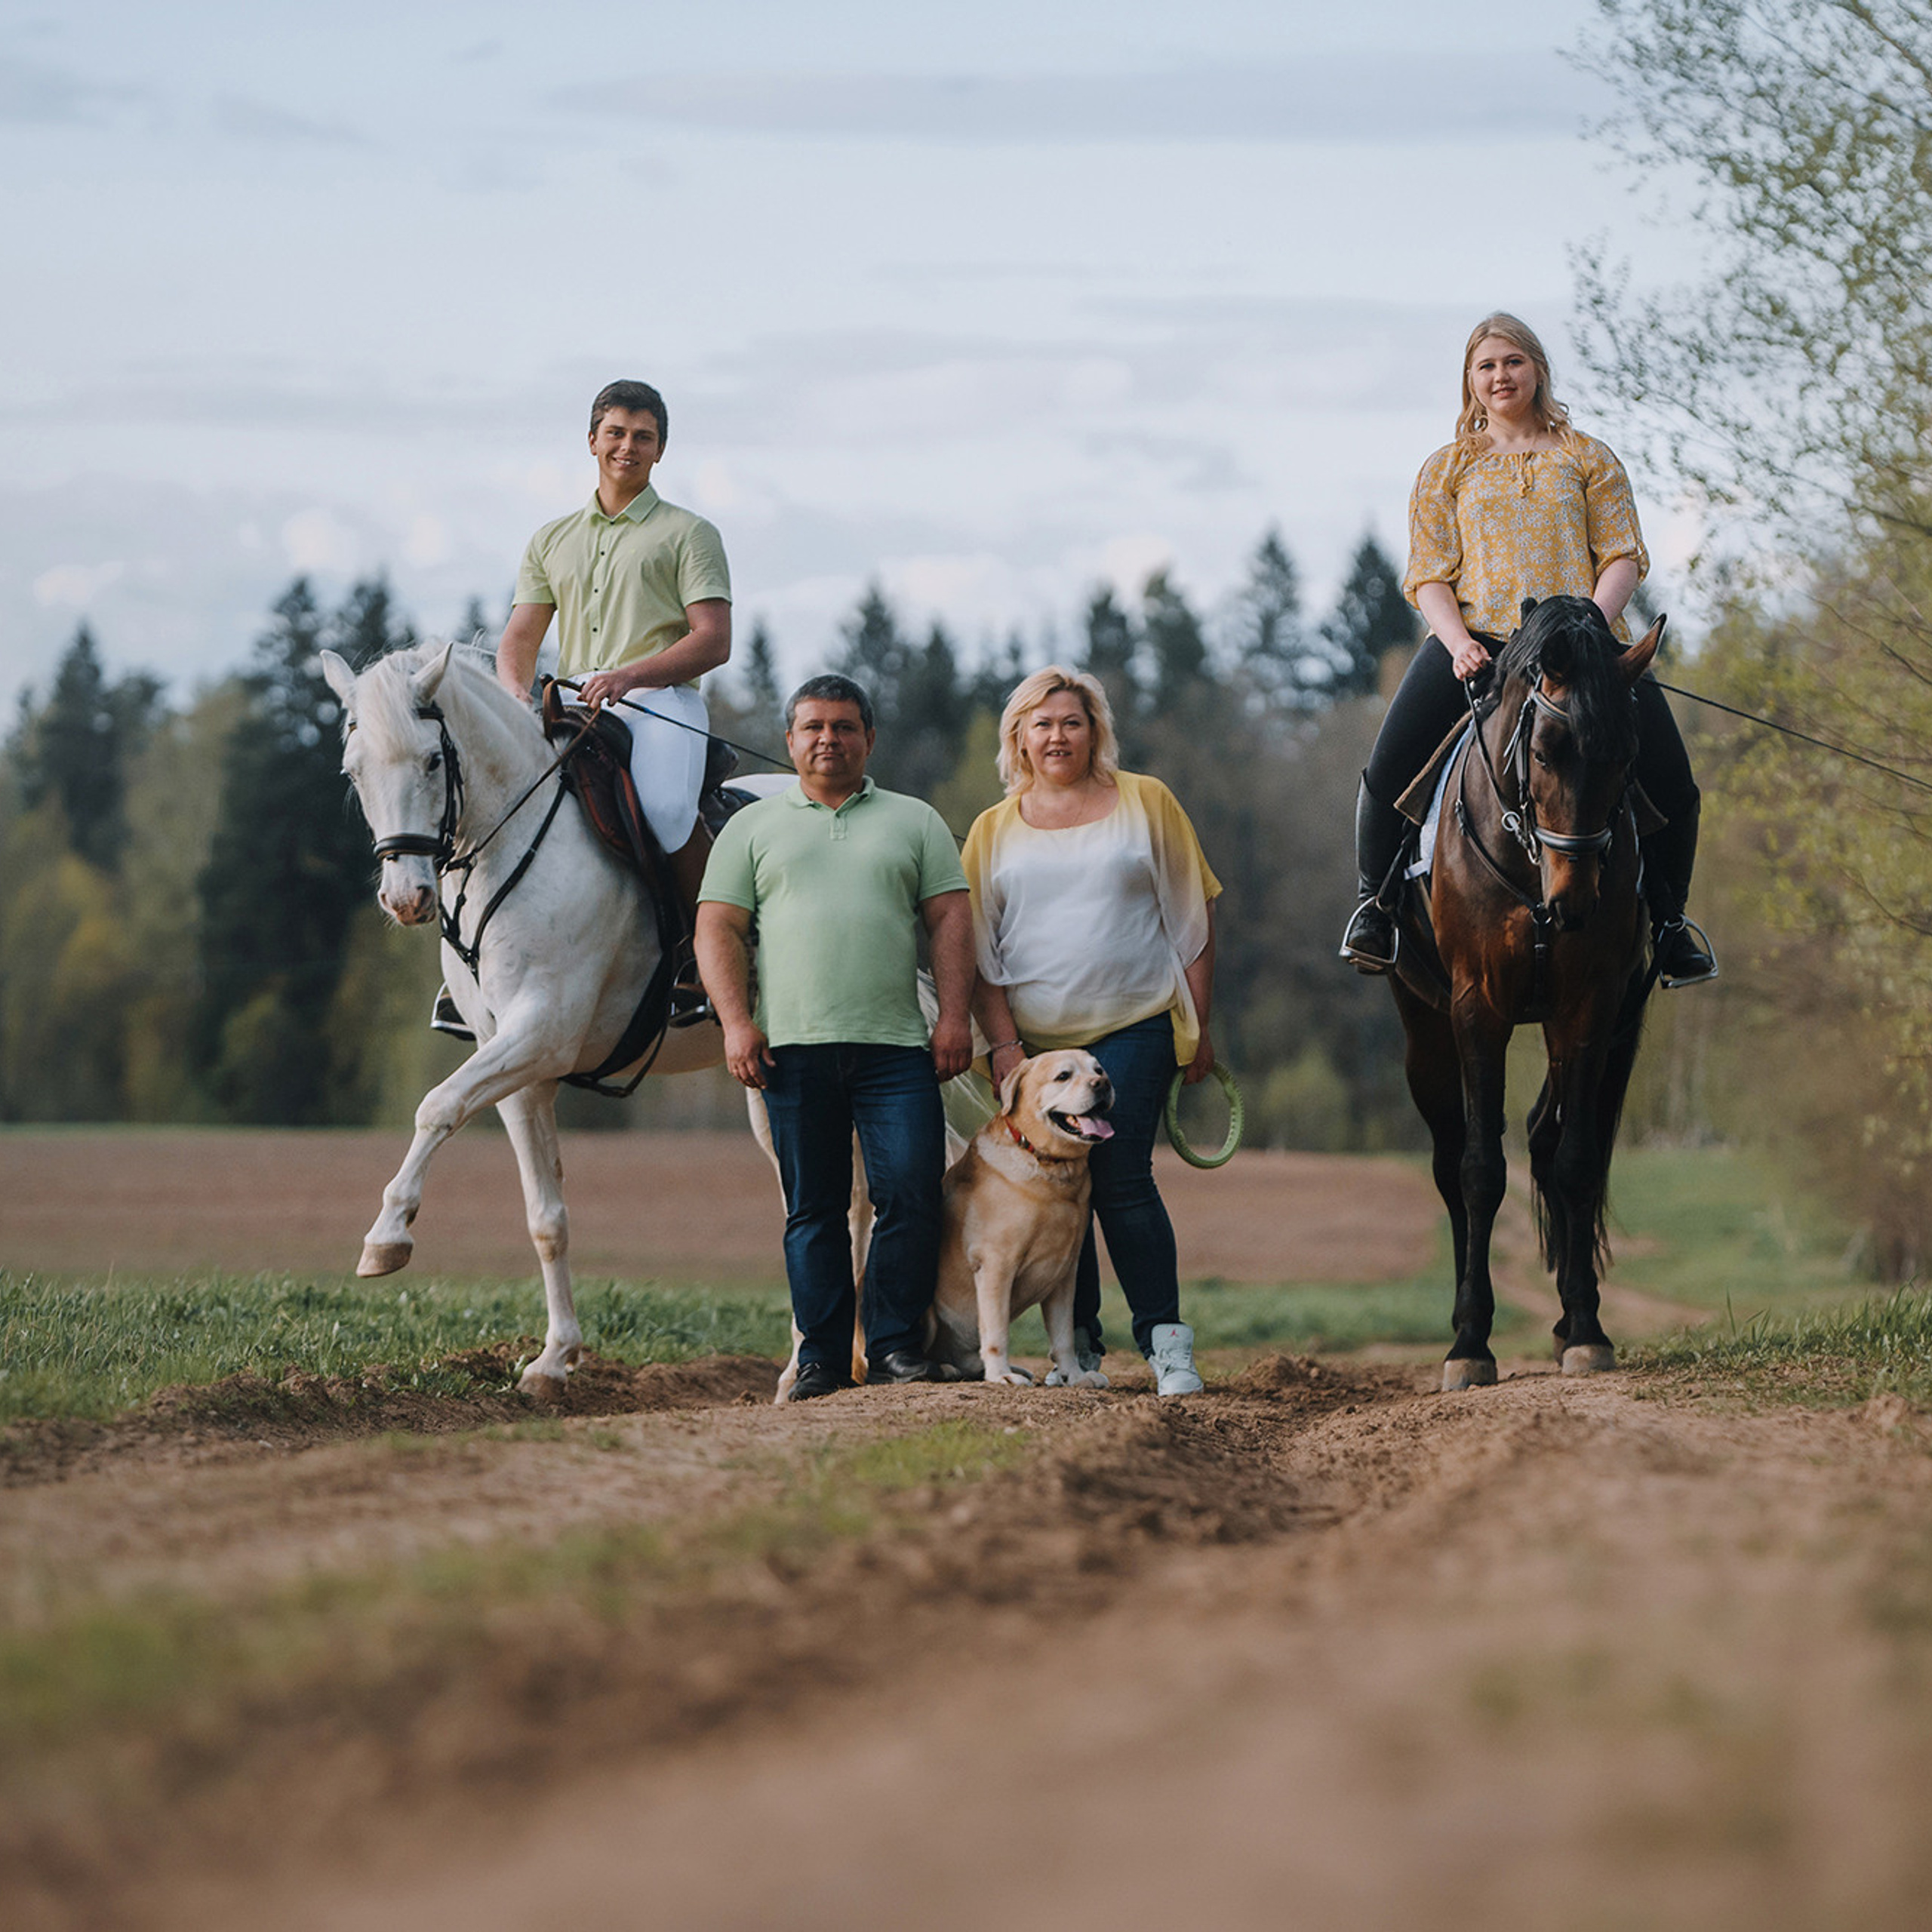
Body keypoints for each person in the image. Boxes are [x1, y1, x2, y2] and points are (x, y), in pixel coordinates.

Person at [1339, 313, 1716, 987]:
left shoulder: (1588, 456)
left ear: (1537, 368)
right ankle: (1376, 905)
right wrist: (1454, 643)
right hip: (1477, 642)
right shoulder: (1447, 468)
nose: (1500, 376)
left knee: (1672, 780)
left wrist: (1592, 632)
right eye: (1486, 367)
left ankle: (1669, 924)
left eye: (1512, 362)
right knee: (1386, 768)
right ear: (1471, 382)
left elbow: (1624, 556)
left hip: (1586, 645)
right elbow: (1428, 575)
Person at [695, 675, 976, 1402]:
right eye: (814, 727)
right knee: (814, 1208)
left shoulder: (914, 820)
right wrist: (735, 1022)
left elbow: (949, 919)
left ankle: (890, 1349)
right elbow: (716, 926)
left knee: (910, 1194)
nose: (830, 739)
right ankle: (820, 1357)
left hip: (898, 1050)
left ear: (869, 739)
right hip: (791, 1049)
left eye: (845, 727)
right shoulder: (752, 828)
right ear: (790, 741)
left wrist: (951, 1017)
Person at [961, 668, 1220, 1398]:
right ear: (1018, 737)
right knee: (1052, 1186)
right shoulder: (991, 830)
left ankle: (1168, 1349)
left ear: (1095, 730)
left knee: (1119, 1179)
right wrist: (1006, 1049)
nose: (1057, 736)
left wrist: (1197, 1030)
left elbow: (1193, 921)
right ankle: (1077, 1353)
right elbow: (981, 955)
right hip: (1036, 1049)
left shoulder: (1147, 802)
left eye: (1071, 722)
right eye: (1041, 725)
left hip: (1133, 1027)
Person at [495, 378, 731, 937]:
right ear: (592, 440)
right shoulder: (549, 539)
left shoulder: (690, 534)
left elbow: (713, 640)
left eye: (643, 437)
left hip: (660, 702)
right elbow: (520, 640)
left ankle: (709, 949)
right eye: (617, 433)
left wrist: (628, 676)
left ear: (660, 449)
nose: (629, 446)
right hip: (575, 704)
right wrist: (512, 697)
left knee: (669, 811)